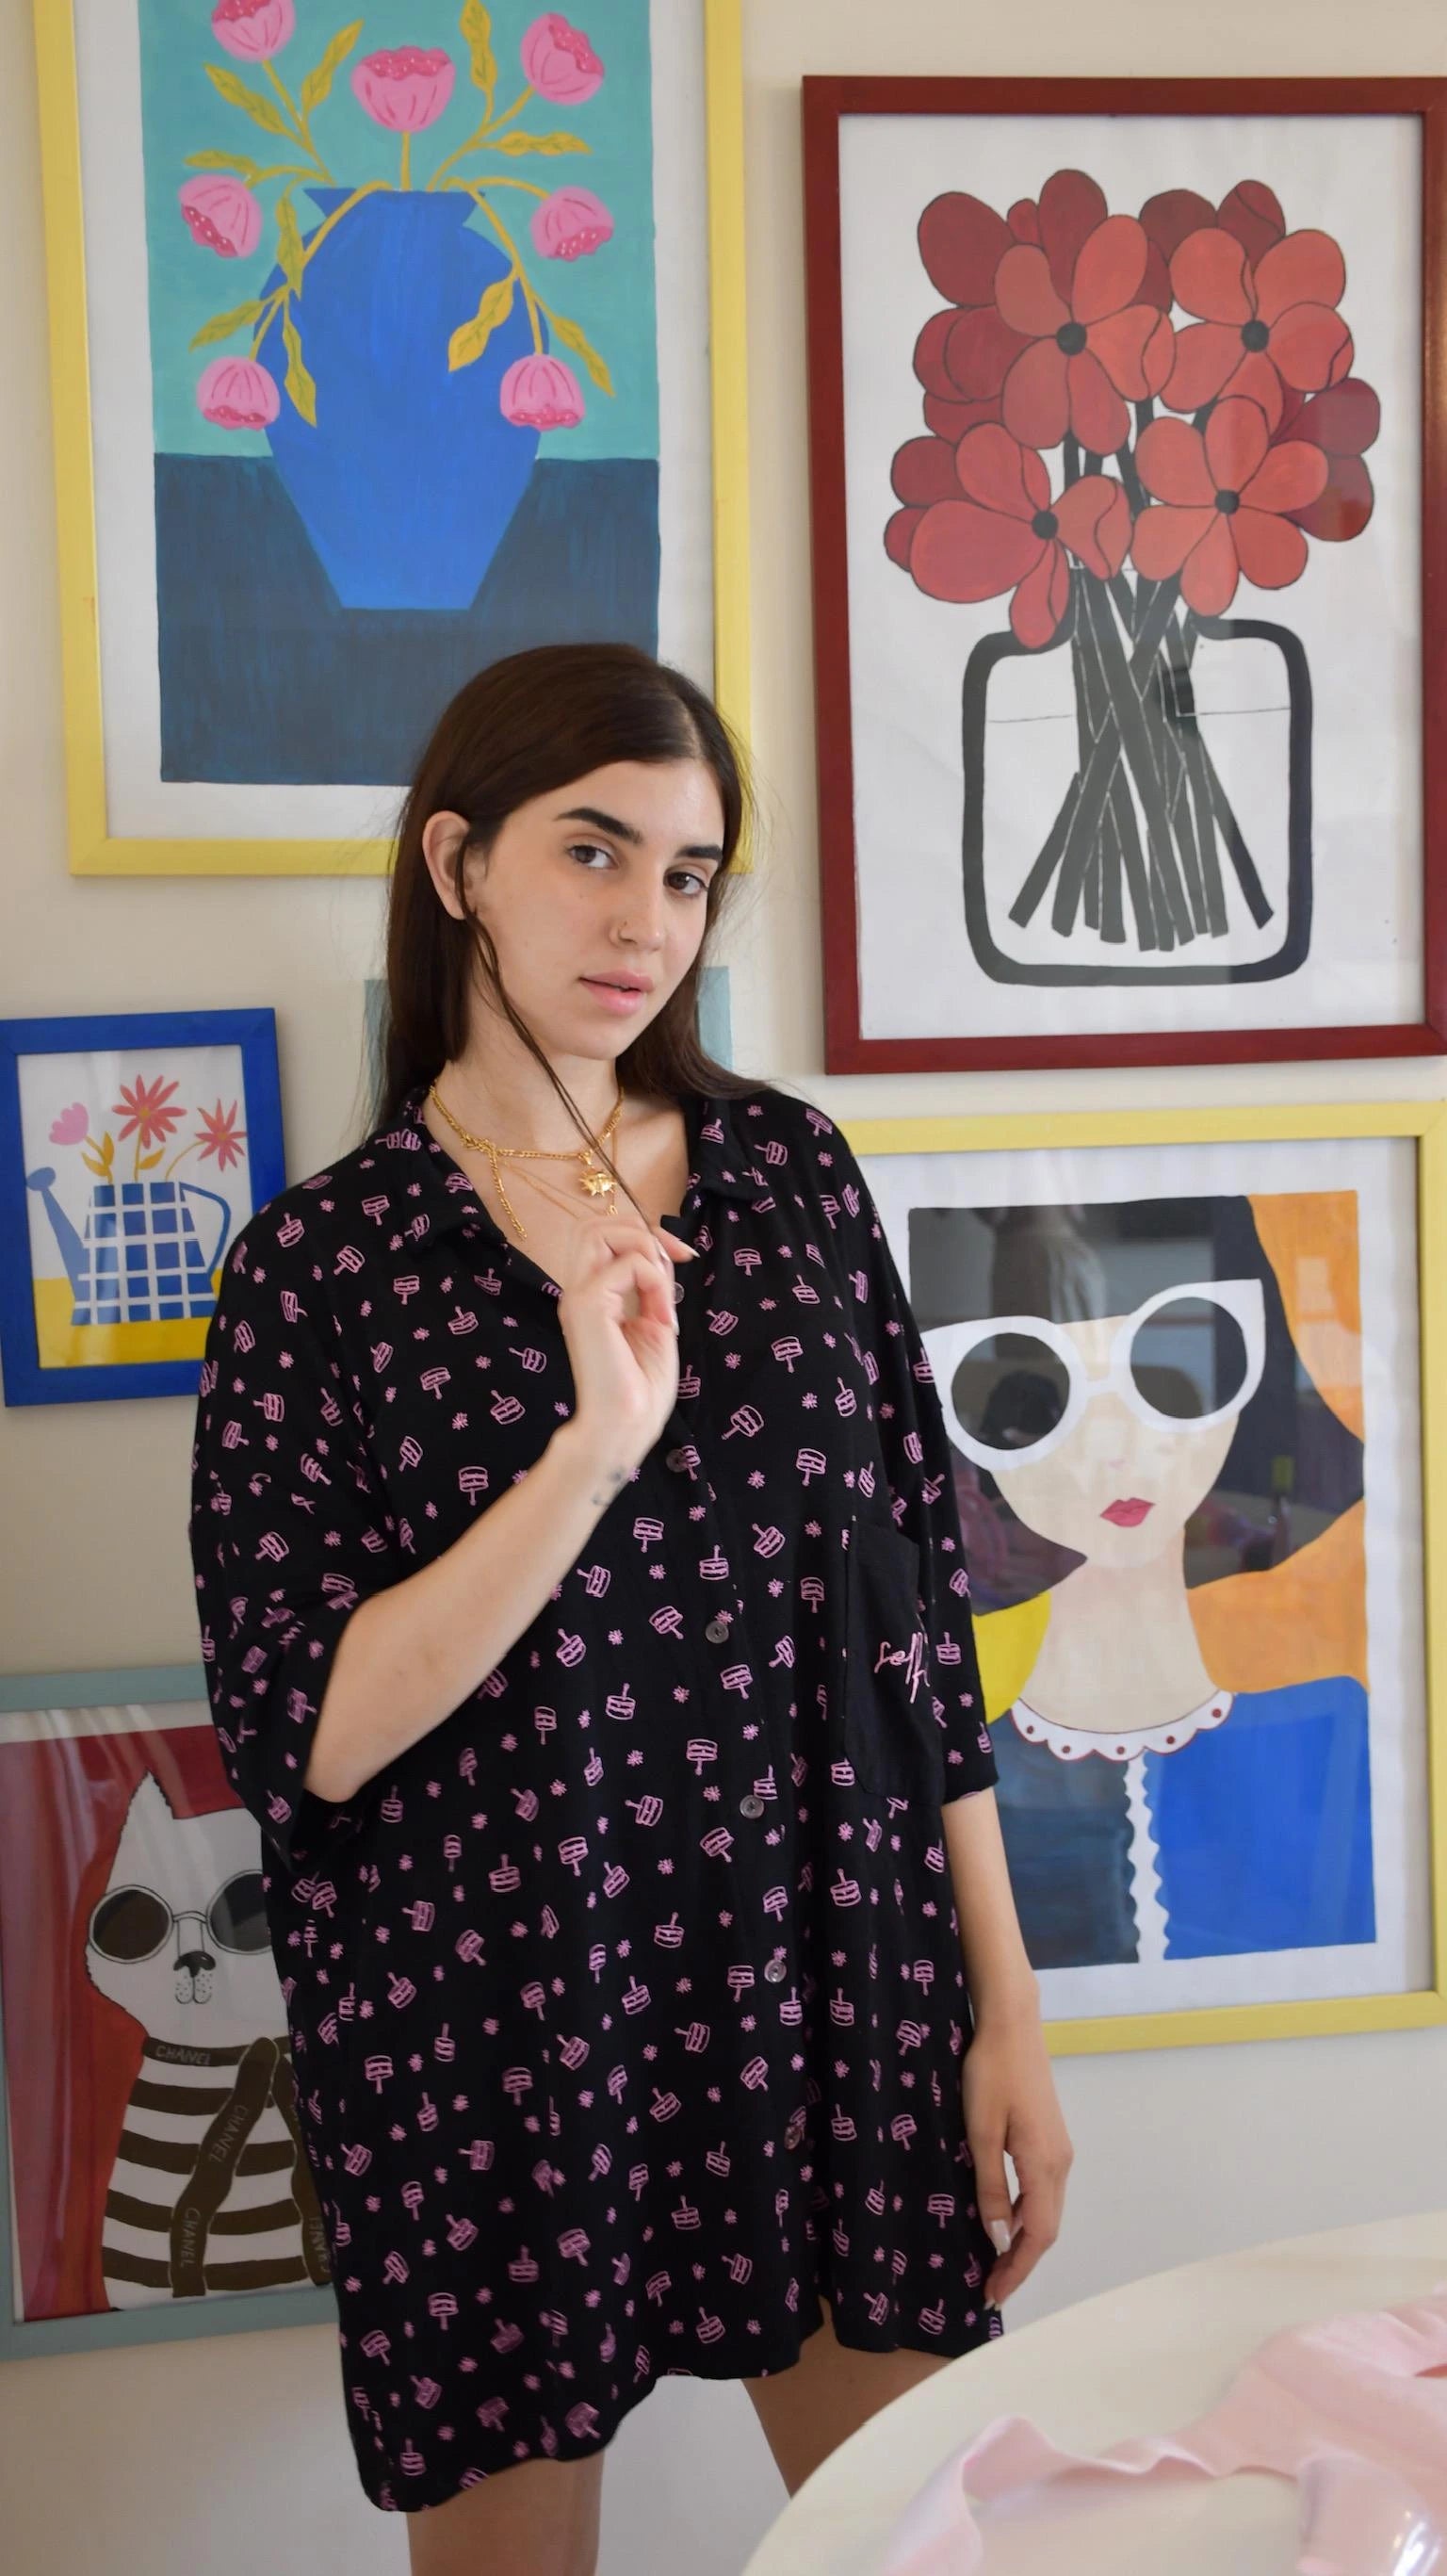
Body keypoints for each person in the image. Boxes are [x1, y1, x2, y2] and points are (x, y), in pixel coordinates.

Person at [188, 643, 1070, 2576]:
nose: (645, 921)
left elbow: (917, 1618)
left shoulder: (790, 1178)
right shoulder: (321, 1267)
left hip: (831, 1972)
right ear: (457, 863)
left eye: (687, 872)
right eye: (592, 851)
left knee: (929, 2538)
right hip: (493, 2016)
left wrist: (1005, 2004)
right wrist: (592, 1446)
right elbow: (309, 1732)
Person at [915, 1196, 1374, 1971]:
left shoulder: (1304, 1673)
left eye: (1142, 1420)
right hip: (1031, 1820)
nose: (1114, 1458)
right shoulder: (979, 1665)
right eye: (1065, 1435)